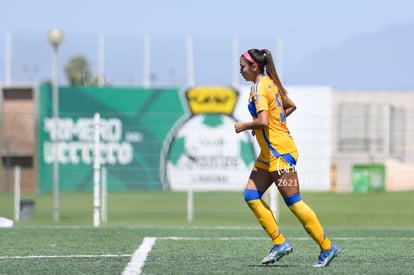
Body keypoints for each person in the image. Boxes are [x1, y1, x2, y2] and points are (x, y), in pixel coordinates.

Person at [234, 48, 340, 267]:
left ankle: (327, 246)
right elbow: (289, 106)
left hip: (279, 153)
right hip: (269, 154)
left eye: (243, 67)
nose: (240, 71)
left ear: (255, 67)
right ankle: (279, 242)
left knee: (294, 202)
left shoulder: (259, 88)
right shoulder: (270, 83)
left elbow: (263, 120)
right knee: (251, 195)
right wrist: (269, 124)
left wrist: (245, 125)